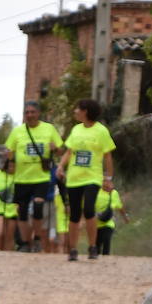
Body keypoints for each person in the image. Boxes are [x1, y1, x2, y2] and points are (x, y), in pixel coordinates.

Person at [57, 98, 116, 262]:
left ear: (86, 111)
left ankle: (92, 246)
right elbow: (69, 152)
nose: (75, 111)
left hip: (93, 177)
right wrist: (61, 166)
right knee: (74, 214)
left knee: (89, 209)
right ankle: (73, 249)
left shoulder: (101, 131)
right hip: (74, 178)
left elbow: (108, 156)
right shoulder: (76, 130)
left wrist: (109, 178)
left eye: (78, 109)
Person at [6, 100, 64, 253]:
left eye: (32, 112)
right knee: (22, 211)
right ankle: (25, 242)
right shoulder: (17, 131)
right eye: (27, 113)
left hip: (41, 177)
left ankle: (37, 238)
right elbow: (9, 150)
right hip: (22, 178)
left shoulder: (49, 129)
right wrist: (10, 158)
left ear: (38, 113)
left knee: (38, 207)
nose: (30, 115)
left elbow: (61, 151)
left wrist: (55, 148)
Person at [94, 186, 129, 256]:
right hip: (95, 224)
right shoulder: (94, 191)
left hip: (109, 223)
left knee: (106, 242)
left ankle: (106, 261)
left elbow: (119, 206)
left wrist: (125, 217)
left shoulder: (113, 193)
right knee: (97, 246)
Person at [0, 157, 15, 251]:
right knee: (0, 233)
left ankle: (8, 255)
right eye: (10, 165)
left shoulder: (18, 176)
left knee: (9, 236)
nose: (12, 167)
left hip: (13, 208)